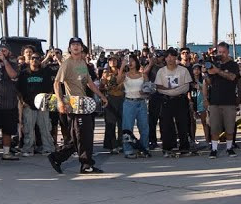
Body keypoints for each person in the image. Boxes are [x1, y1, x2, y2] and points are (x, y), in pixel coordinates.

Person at [48, 37, 108, 175]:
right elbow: (56, 83)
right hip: (73, 105)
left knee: (81, 136)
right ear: (69, 48)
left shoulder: (82, 62)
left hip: (84, 104)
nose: (75, 47)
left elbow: (90, 83)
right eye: (73, 45)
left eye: (78, 45)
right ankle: (86, 165)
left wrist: (101, 96)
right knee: (82, 135)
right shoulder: (67, 64)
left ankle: (57, 157)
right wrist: (60, 102)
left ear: (82, 48)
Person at [154, 47, 194, 156]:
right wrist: (170, 91)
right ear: (165, 59)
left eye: (172, 56)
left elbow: (186, 87)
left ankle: (184, 147)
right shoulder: (161, 71)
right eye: (168, 57)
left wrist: (172, 91)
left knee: (182, 124)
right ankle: (168, 148)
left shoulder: (183, 70)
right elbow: (158, 87)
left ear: (176, 57)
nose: (170, 59)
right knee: (166, 124)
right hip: (166, 101)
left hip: (181, 100)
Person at [17, 47, 57, 156]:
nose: (35, 60)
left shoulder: (45, 73)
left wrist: (47, 102)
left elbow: (50, 89)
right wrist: (22, 102)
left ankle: (48, 148)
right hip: (28, 104)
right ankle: (28, 149)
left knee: (45, 127)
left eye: (37, 58)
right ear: (29, 60)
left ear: (40, 60)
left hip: (42, 105)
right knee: (28, 128)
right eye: (33, 58)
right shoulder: (24, 73)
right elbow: (19, 89)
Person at [205, 43, 241, 158]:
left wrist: (218, 71)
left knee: (230, 127)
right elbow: (209, 82)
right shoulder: (214, 64)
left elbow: (232, 77)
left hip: (229, 100)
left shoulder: (233, 65)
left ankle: (229, 148)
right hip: (215, 100)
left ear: (228, 52)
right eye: (219, 52)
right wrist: (207, 71)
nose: (221, 54)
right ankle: (214, 149)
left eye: (223, 52)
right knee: (214, 127)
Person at [117, 55, 152, 158]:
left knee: (144, 127)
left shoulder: (143, 75)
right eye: (129, 61)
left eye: (133, 61)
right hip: (129, 102)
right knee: (127, 127)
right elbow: (118, 81)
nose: (131, 63)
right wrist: (122, 67)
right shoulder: (125, 75)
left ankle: (144, 148)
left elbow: (148, 90)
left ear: (137, 62)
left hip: (141, 102)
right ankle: (128, 150)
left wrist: (145, 93)